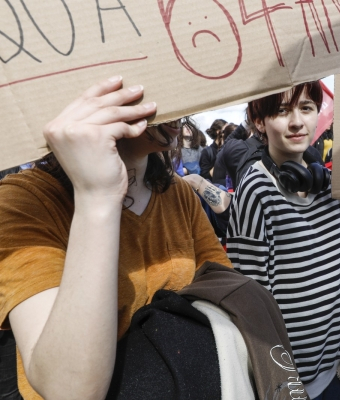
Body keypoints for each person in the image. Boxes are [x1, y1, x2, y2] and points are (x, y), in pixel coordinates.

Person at [0, 77, 232, 399]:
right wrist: (97, 197)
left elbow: (227, 292)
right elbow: (68, 389)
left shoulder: (178, 193)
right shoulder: (25, 201)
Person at [226, 82, 340, 399]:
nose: (297, 121)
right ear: (260, 122)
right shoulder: (255, 190)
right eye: (282, 111)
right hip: (294, 382)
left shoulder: (328, 184)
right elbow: (250, 302)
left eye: (306, 108)